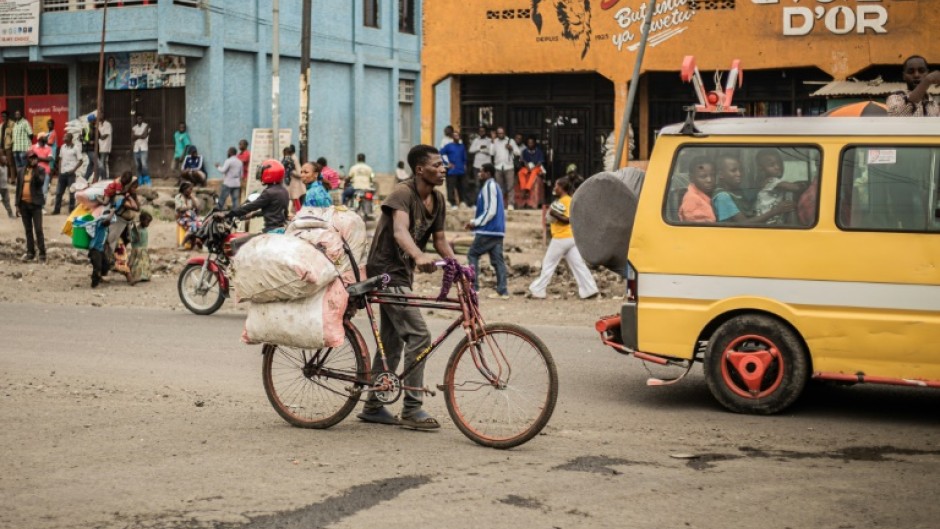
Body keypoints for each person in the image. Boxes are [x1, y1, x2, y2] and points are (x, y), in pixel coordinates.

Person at [357, 144, 456, 430]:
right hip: (386, 272)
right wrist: (418, 255)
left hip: (403, 274)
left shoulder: (437, 200)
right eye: (436, 165)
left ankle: (373, 405)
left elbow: (439, 240)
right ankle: (412, 409)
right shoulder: (402, 193)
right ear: (420, 169)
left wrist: (457, 265)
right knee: (419, 334)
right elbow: (400, 230)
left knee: (391, 342)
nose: (442, 169)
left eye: (443, 165)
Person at [528, 176, 598, 300]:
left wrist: (554, 214)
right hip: (571, 238)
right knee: (578, 265)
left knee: (548, 264)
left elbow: (568, 220)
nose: (555, 188)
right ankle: (589, 289)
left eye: (556, 186)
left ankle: (538, 290)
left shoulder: (566, 201)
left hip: (561, 238)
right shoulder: (566, 200)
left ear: (562, 188)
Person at [465, 163, 509, 299]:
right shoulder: (494, 186)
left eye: (481, 172)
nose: (479, 174)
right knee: (497, 260)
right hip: (497, 230)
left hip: (488, 230)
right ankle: (502, 291)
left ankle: (474, 287)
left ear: (488, 173)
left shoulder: (489, 186)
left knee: (472, 254)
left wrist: (475, 222)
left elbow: (490, 210)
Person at [713, 154, 793, 224]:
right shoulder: (722, 197)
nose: (739, 174)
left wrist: (763, 187)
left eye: (740, 170)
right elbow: (743, 223)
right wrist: (776, 211)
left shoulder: (736, 191)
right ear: (721, 174)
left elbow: (752, 200)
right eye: (733, 171)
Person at [226, 159, 290, 233]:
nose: (260, 174)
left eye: (262, 171)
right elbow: (273, 210)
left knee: (237, 243)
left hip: (270, 230)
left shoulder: (268, 193)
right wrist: (253, 214)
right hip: (282, 229)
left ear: (269, 174)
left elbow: (250, 207)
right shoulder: (284, 191)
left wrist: (229, 214)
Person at [753, 149, 806, 225]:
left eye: (779, 163)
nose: (777, 167)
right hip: (768, 221)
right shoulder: (771, 181)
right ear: (761, 168)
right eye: (772, 165)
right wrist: (804, 185)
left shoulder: (767, 182)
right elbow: (793, 187)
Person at [15, 149, 47, 263]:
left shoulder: (41, 170)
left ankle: (42, 254)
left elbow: (40, 183)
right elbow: (18, 188)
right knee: (28, 230)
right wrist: (17, 205)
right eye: (31, 158)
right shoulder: (21, 171)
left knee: (38, 229)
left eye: (35, 157)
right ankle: (30, 252)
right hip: (23, 205)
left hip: (36, 205)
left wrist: (36, 169)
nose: (33, 159)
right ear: (27, 159)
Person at [678, 156, 717, 223]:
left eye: (712, 175)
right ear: (691, 178)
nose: (709, 180)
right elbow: (699, 230)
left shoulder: (707, 193)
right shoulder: (692, 199)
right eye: (703, 176)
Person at [489, 126, 519, 210]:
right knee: (499, 187)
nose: (500, 134)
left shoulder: (510, 141)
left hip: (509, 166)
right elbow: (491, 152)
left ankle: (510, 204)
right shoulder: (495, 141)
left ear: (504, 133)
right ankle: (500, 204)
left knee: (510, 186)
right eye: (499, 133)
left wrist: (511, 148)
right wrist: (492, 141)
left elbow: (518, 152)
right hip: (498, 166)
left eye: (502, 133)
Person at [53, 133, 81, 215]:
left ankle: (71, 210)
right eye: (64, 136)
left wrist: (73, 170)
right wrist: (59, 170)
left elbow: (81, 160)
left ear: (70, 138)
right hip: (62, 173)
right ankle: (56, 210)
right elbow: (60, 159)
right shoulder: (62, 147)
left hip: (70, 174)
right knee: (58, 193)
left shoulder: (76, 148)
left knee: (72, 193)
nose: (64, 138)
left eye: (65, 137)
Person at [439, 128, 467, 209]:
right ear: (452, 137)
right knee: (451, 187)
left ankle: (462, 202)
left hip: (461, 170)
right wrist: (447, 163)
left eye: (457, 135)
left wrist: (464, 165)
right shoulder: (448, 146)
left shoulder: (462, 146)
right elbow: (441, 153)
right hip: (452, 170)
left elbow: (464, 157)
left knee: (461, 187)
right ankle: (452, 203)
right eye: (455, 135)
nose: (456, 137)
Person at [517, 137, 546, 209]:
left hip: (536, 167)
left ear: (534, 143)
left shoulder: (539, 151)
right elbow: (523, 161)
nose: (530, 144)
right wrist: (527, 167)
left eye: (531, 142)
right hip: (528, 167)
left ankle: (527, 188)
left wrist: (533, 167)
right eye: (529, 143)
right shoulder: (524, 151)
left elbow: (540, 163)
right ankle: (523, 188)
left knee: (533, 172)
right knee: (521, 172)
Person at [467, 125, 492, 206]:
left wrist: (484, 150)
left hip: (486, 166)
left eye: (483, 131)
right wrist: (479, 148)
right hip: (477, 166)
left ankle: (487, 203)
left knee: (486, 185)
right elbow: (471, 150)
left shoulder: (489, 140)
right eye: (480, 131)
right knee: (477, 185)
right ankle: (477, 203)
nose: (481, 132)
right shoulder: (476, 140)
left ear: (486, 132)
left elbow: (491, 151)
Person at [175, 181, 202, 249]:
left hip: (192, 217)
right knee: (194, 225)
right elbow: (179, 208)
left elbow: (197, 207)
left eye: (191, 190)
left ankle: (194, 243)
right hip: (182, 217)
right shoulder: (179, 197)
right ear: (184, 189)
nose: (191, 191)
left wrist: (192, 199)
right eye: (190, 189)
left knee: (201, 224)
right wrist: (189, 208)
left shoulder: (191, 198)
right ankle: (183, 244)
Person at [129, 210, 152, 283]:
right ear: (141, 220)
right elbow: (133, 239)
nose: (148, 224)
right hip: (137, 250)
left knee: (143, 264)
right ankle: (137, 276)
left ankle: (144, 276)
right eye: (147, 222)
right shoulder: (136, 230)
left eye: (149, 222)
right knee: (138, 264)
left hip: (143, 249)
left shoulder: (144, 229)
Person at [282, 145, 304, 211]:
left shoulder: (293, 159)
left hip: (295, 183)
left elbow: (299, 173)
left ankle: (298, 214)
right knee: (293, 199)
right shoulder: (290, 158)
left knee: (295, 199)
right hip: (292, 182)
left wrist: (291, 171)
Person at [131, 114, 151, 186]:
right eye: (138, 118)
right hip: (136, 149)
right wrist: (140, 136)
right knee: (138, 165)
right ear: (136, 119)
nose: (139, 120)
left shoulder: (146, 126)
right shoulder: (134, 127)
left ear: (142, 119)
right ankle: (140, 179)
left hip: (144, 148)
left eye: (140, 118)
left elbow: (144, 135)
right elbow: (132, 138)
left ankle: (147, 179)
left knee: (144, 165)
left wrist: (136, 136)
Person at [32, 133, 53, 198]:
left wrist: (38, 158)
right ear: (40, 138)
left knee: (44, 191)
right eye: (45, 137)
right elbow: (30, 158)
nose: (47, 139)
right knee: (34, 190)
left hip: (45, 172)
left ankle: (42, 207)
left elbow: (49, 159)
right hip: (34, 172)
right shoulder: (33, 147)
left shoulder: (49, 148)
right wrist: (44, 158)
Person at [81, 114, 98, 182]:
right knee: (98, 164)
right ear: (92, 121)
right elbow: (81, 139)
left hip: (94, 149)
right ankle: (97, 180)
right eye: (95, 120)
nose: (96, 121)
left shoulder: (95, 128)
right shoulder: (86, 129)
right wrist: (89, 142)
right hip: (89, 149)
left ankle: (84, 180)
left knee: (91, 166)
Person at [97, 114, 112, 180]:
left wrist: (97, 136)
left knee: (101, 163)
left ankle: (104, 177)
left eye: (100, 116)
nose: (99, 117)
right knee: (104, 163)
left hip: (105, 147)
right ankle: (105, 177)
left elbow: (104, 136)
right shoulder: (99, 124)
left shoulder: (107, 124)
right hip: (99, 147)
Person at [2, 111, 14, 179]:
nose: (3, 117)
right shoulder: (2, 125)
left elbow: (14, 135)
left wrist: (11, 144)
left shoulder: (12, 124)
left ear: (8, 116)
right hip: (2, 147)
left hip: (8, 146)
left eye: (5, 116)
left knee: (10, 163)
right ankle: (6, 177)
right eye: (2, 116)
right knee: (4, 163)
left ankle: (12, 179)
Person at [0, 153, 12, 218]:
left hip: (5, 188)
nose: (6, 161)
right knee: (4, 201)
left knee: (7, 201)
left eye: (6, 160)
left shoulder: (6, 168)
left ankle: (10, 214)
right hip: (0, 188)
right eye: (4, 160)